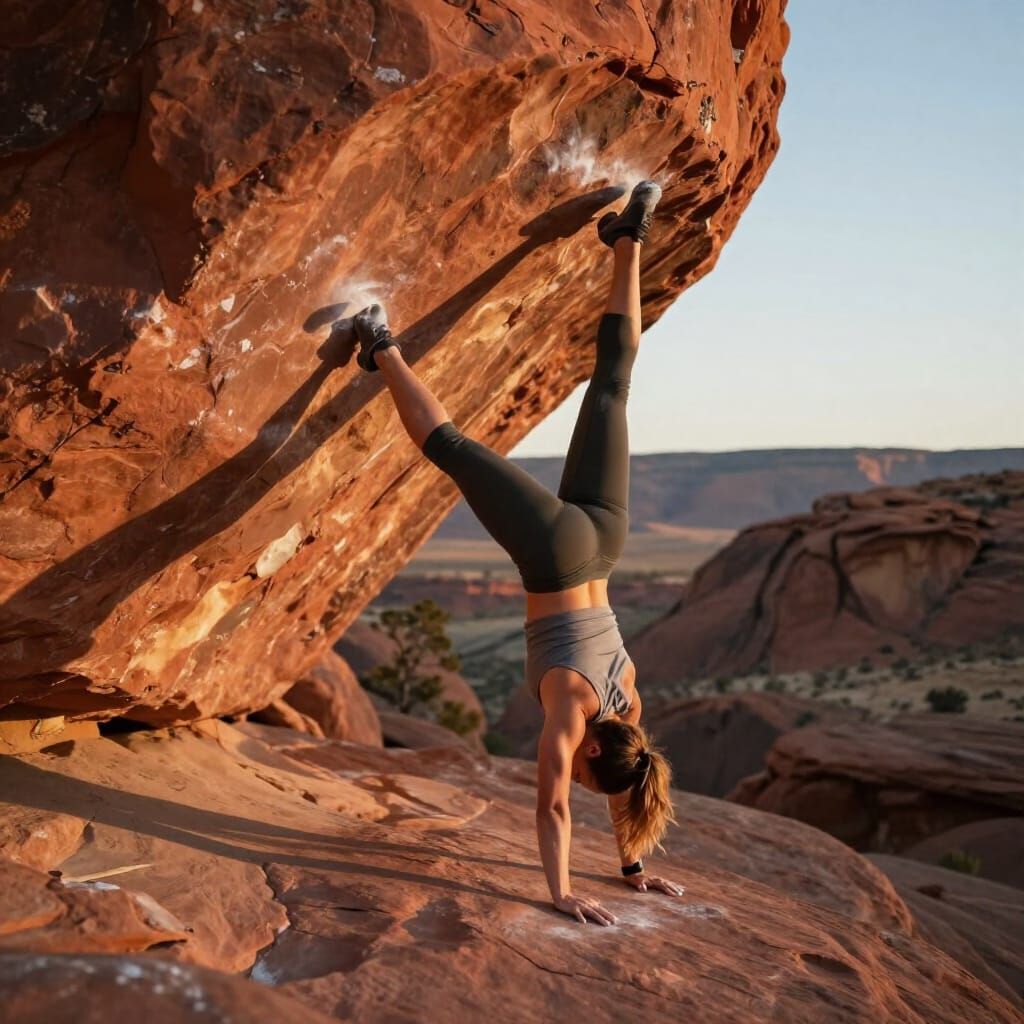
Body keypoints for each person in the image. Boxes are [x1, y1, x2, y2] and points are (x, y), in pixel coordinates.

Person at [351, 181, 682, 925]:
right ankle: (378, 344)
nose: (575, 770)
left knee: (614, 387)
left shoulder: (629, 700)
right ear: (593, 753)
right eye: (588, 772)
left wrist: (634, 866)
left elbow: (632, 786)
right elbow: (554, 808)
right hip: (555, 553)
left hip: (606, 539)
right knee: (454, 449)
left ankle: (630, 235)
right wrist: (561, 893)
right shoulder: (571, 710)